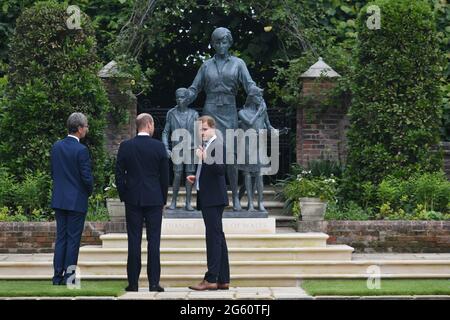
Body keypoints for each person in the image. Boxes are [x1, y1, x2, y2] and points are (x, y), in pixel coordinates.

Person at [183, 27, 257, 211]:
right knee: (208, 155)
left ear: (229, 43)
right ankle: (206, 194)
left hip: (230, 110)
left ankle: (235, 199)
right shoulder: (206, 65)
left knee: (230, 156)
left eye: (224, 42)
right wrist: (187, 97)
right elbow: (195, 88)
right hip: (210, 111)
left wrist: (256, 93)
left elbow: (249, 85)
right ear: (213, 44)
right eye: (217, 42)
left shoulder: (238, 64)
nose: (221, 45)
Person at [115, 113, 169, 292]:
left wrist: (125, 195)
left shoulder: (126, 147)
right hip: (154, 199)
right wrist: (163, 199)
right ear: (150, 124)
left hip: (133, 199)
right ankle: (154, 283)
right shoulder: (159, 147)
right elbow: (164, 177)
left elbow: (119, 175)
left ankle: (133, 283)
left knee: (134, 240)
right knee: (154, 241)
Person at [186, 116, 230, 291]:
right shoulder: (210, 145)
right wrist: (197, 178)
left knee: (213, 238)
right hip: (210, 197)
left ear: (213, 128)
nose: (202, 133)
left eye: (204, 129)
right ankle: (223, 279)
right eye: (200, 131)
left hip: (213, 199)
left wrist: (204, 157)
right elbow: (211, 172)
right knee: (218, 237)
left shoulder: (217, 144)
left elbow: (220, 170)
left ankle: (211, 279)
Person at [51, 112, 93, 285]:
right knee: (73, 240)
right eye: (86, 126)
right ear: (79, 129)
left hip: (60, 199)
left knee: (61, 238)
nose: (87, 129)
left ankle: (57, 276)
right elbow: (86, 178)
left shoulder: (56, 146)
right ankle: (69, 278)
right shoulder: (81, 150)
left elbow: (54, 173)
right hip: (76, 201)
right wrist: (89, 191)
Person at [238, 86, 275, 212]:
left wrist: (275, 131)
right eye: (258, 96)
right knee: (247, 174)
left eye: (261, 96)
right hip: (247, 146)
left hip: (260, 145)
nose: (261, 98)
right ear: (252, 97)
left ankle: (260, 203)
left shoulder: (263, 111)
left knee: (259, 175)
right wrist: (259, 112)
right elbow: (249, 122)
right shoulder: (242, 112)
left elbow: (268, 126)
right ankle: (250, 203)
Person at [162, 88, 199, 211]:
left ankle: (188, 202)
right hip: (177, 149)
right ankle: (173, 201)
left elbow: (198, 133)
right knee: (177, 175)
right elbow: (165, 132)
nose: (179, 100)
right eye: (177, 97)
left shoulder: (194, 114)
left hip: (191, 149)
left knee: (189, 175)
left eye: (182, 97)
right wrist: (166, 148)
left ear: (188, 99)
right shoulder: (171, 113)